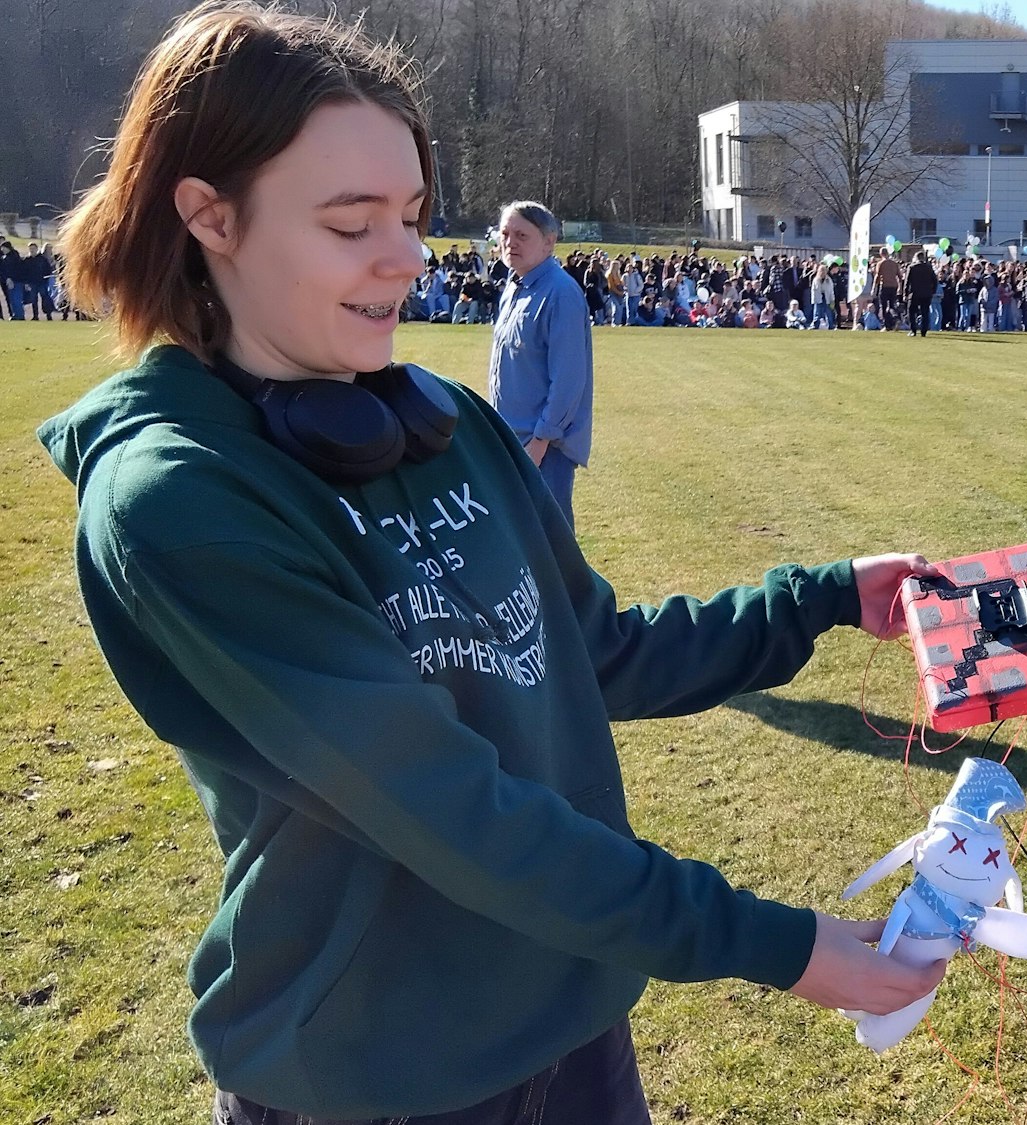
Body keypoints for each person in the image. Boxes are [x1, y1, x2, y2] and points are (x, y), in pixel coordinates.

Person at [38, 7, 946, 1122]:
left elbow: (593, 652)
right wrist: (775, 943)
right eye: (349, 222)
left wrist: (820, 598)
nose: (406, 258)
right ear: (209, 215)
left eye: (413, 216)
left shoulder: (448, 425)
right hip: (377, 1076)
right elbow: (454, 810)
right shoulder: (178, 500)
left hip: (569, 1025)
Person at [490, 200, 591, 526]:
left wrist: (541, 442)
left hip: (545, 447)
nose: (510, 242)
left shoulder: (560, 293)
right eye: (505, 233)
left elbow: (568, 380)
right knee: (521, 537)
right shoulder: (513, 287)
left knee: (552, 543)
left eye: (522, 235)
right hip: (511, 438)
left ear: (549, 242)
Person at [904, 250, 937, 337]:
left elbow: (907, 282)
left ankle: (913, 330)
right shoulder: (929, 267)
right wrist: (933, 291)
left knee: (911, 312)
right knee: (925, 312)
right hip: (926, 294)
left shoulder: (912, 267)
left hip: (914, 293)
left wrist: (905, 293)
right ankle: (924, 331)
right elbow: (935, 280)